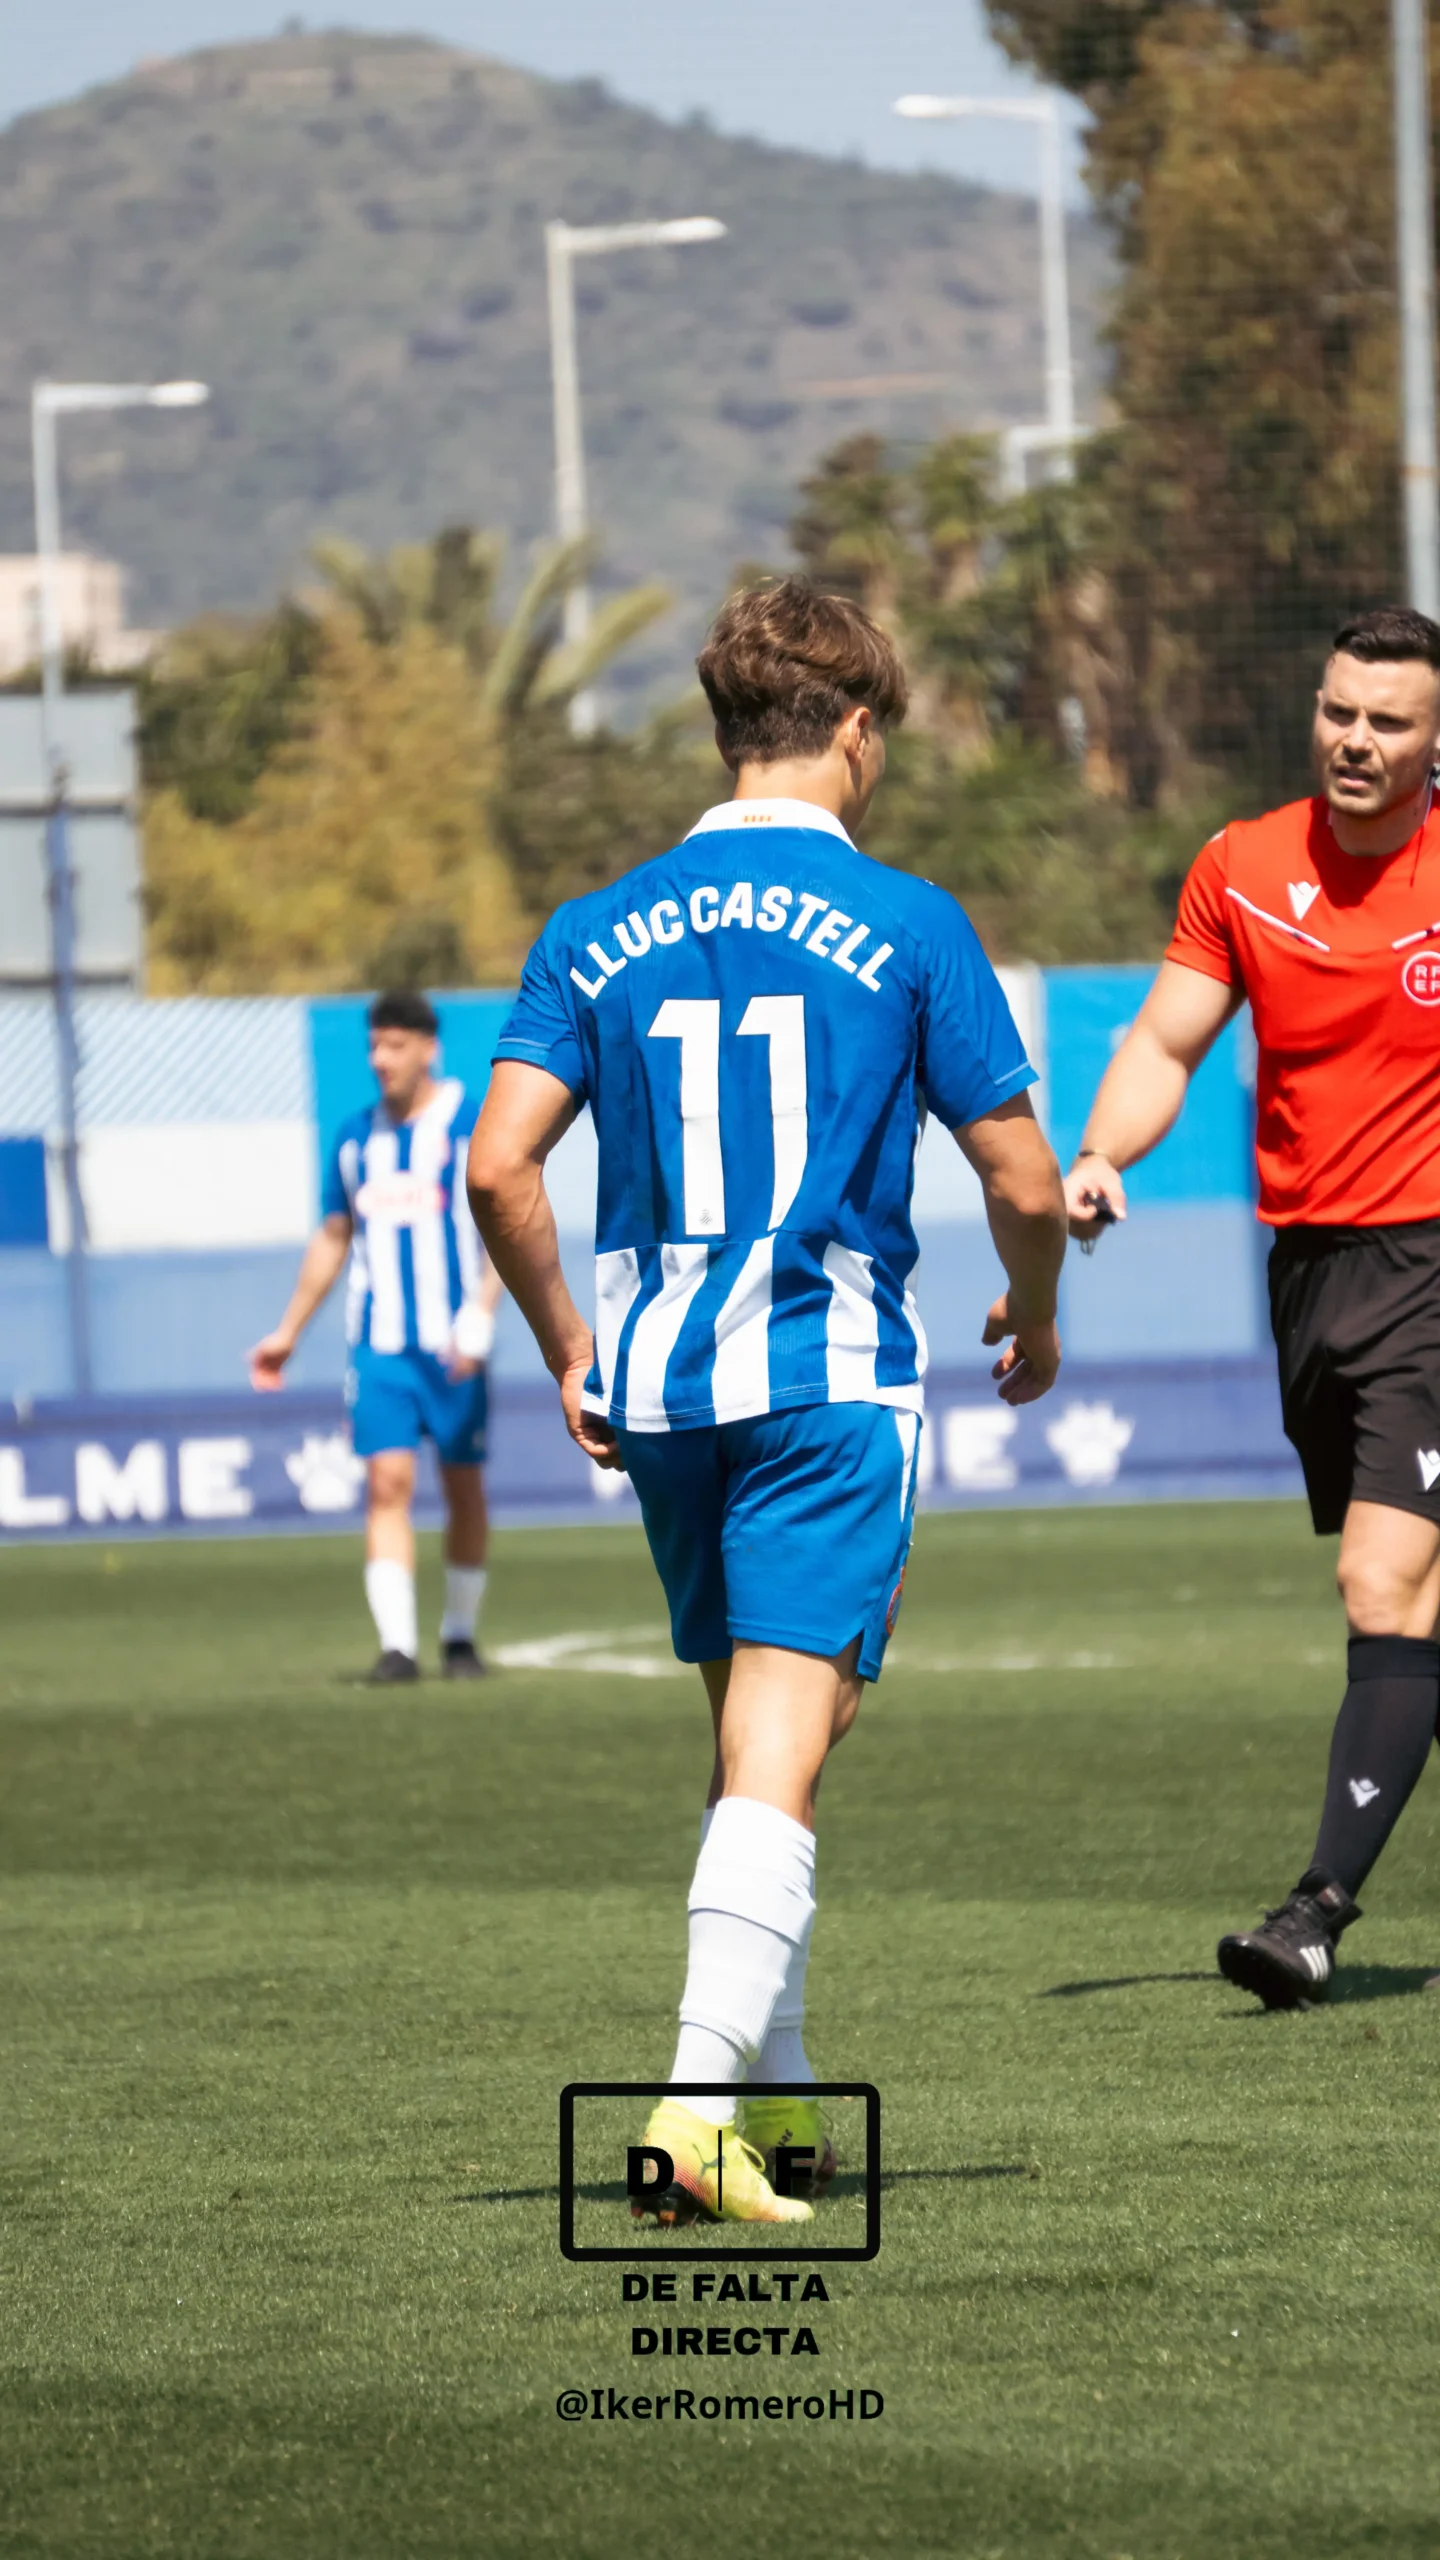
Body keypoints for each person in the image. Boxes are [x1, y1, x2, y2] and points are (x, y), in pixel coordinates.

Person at [467, 577, 1066, 2223]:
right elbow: (1018, 1167)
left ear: (728, 732)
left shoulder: (597, 922)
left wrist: (570, 1347)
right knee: (785, 1751)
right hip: (824, 1376)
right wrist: (1045, 1300)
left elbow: (498, 1166)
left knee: (762, 1742)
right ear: (858, 731)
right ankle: (683, 2116)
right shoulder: (912, 922)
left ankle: (779, 2100)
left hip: (663, 1390)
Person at [1064, 605, 1440, 2009]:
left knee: (1383, 1582)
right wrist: (1103, 1154)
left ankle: (1316, 1911)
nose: (1358, 739)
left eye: (1390, 722)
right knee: (1406, 1604)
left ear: (1435, 740)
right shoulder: (1242, 863)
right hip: (1309, 1272)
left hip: (1435, 1263)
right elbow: (1166, 1039)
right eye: (1342, 711)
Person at [250, 989, 503, 1683]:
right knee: (386, 1483)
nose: (380, 1060)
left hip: (453, 1346)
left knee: (463, 1485)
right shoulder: (356, 1139)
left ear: (429, 1048)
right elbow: (334, 1237)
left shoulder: (465, 1123)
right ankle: (398, 1646)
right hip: (380, 1345)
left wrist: (482, 1312)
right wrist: (287, 1333)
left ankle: (458, 1635)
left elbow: (504, 1223)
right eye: (373, 1046)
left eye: (395, 1045)